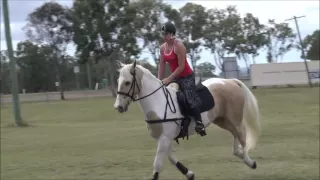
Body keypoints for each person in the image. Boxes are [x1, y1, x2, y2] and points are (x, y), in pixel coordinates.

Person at [157, 22, 206, 136]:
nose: (164, 36)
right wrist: (158, 80)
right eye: (162, 34)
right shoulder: (162, 48)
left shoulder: (179, 46)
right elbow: (162, 65)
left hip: (187, 77)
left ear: (172, 34)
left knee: (189, 98)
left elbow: (181, 67)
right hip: (176, 78)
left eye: (166, 34)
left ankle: (199, 123)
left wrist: (169, 78)